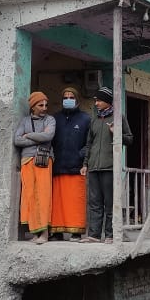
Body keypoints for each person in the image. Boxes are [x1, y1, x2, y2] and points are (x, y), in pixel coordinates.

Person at [81, 86, 133, 243]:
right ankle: (94, 235)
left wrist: (116, 132)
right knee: (94, 203)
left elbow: (129, 139)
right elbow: (89, 144)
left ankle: (110, 235)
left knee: (110, 203)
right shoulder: (95, 119)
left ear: (108, 101)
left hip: (110, 167)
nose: (96, 103)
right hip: (93, 167)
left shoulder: (118, 118)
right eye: (96, 100)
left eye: (99, 100)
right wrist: (85, 164)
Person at [14, 91, 56, 244]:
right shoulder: (24, 121)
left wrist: (29, 135)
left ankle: (44, 233)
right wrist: (38, 137)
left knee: (43, 195)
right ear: (33, 107)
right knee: (29, 195)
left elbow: (48, 136)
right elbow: (17, 140)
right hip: (27, 161)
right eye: (40, 105)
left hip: (43, 160)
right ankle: (34, 232)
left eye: (46, 105)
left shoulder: (50, 120)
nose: (44, 108)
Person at [50, 86, 91, 240]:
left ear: (77, 99)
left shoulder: (85, 119)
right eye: (65, 97)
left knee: (75, 201)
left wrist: (81, 156)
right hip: (58, 167)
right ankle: (57, 232)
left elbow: (90, 142)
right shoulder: (55, 119)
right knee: (58, 202)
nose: (68, 100)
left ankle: (76, 232)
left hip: (76, 167)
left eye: (71, 97)